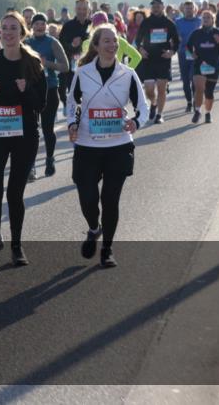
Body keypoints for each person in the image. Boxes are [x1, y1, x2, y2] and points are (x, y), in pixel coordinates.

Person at [66, 26, 149, 268]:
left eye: (115, 41)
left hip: (118, 145)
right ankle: (94, 228)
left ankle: (108, 249)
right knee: (88, 197)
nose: (112, 45)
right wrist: (72, 123)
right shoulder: (82, 73)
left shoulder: (128, 74)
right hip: (87, 144)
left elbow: (142, 107)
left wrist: (135, 122)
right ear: (96, 45)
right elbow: (71, 103)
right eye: (106, 41)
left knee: (110, 199)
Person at [0, 12, 47, 267]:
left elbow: (42, 103)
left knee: (15, 193)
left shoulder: (33, 63)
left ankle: (17, 244)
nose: (8, 32)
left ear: (22, 32)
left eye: (13, 28)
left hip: (25, 135)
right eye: (4, 28)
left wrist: (26, 90)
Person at [25, 13, 69, 177]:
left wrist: (46, 64)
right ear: (32, 26)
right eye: (36, 24)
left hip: (50, 89)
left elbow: (65, 67)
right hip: (31, 91)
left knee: (47, 129)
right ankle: (31, 166)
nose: (40, 27)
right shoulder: (26, 43)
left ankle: (50, 158)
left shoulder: (52, 42)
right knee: (31, 130)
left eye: (42, 24)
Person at [133, 0, 181, 124]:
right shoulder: (146, 22)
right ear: (151, 8)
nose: (156, 8)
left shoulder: (169, 23)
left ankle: (159, 114)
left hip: (163, 59)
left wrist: (172, 52)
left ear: (162, 7)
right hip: (148, 59)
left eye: (158, 6)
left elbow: (176, 41)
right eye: (153, 6)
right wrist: (140, 49)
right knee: (149, 90)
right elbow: (138, 40)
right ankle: (153, 103)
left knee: (161, 88)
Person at [186, 9, 219, 124]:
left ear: (213, 20)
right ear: (201, 20)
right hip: (199, 65)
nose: (206, 19)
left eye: (208, 17)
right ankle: (197, 111)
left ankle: (208, 112)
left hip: (213, 66)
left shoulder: (218, 33)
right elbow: (187, 47)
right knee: (199, 88)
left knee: (209, 93)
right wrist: (191, 54)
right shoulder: (196, 33)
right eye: (204, 18)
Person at [58, 0, 92, 116]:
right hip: (71, 64)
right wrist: (72, 45)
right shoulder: (68, 26)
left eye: (84, 9)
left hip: (90, 64)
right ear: (75, 9)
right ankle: (70, 108)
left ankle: (83, 116)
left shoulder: (92, 25)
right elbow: (60, 44)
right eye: (79, 8)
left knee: (85, 92)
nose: (82, 11)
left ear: (88, 9)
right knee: (68, 91)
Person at [173, 1, 202, 113]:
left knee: (193, 78)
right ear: (183, 10)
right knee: (185, 80)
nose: (189, 10)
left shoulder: (199, 21)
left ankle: (195, 100)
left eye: (191, 8)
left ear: (195, 9)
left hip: (196, 54)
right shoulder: (178, 22)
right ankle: (189, 102)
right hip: (183, 53)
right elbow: (175, 36)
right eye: (186, 8)